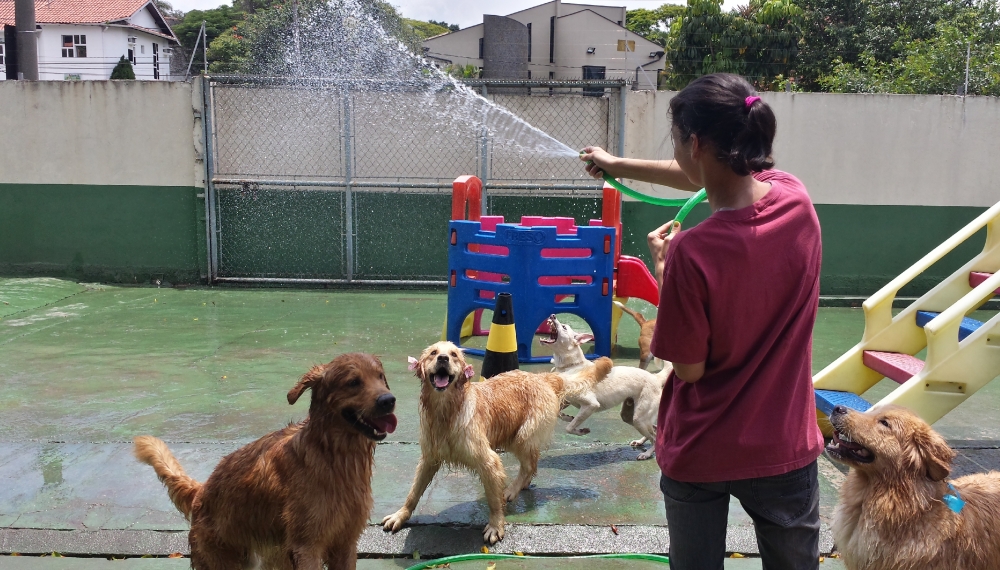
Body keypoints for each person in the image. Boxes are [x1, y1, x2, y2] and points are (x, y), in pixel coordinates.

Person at [581, 73, 824, 570]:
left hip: (703, 449)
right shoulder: (795, 198)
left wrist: (665, 273)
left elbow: (688, 368)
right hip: (784, 446)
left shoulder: (692, 251)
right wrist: (615, 166)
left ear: (694, 143)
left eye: (676, 141)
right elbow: (703, 173)